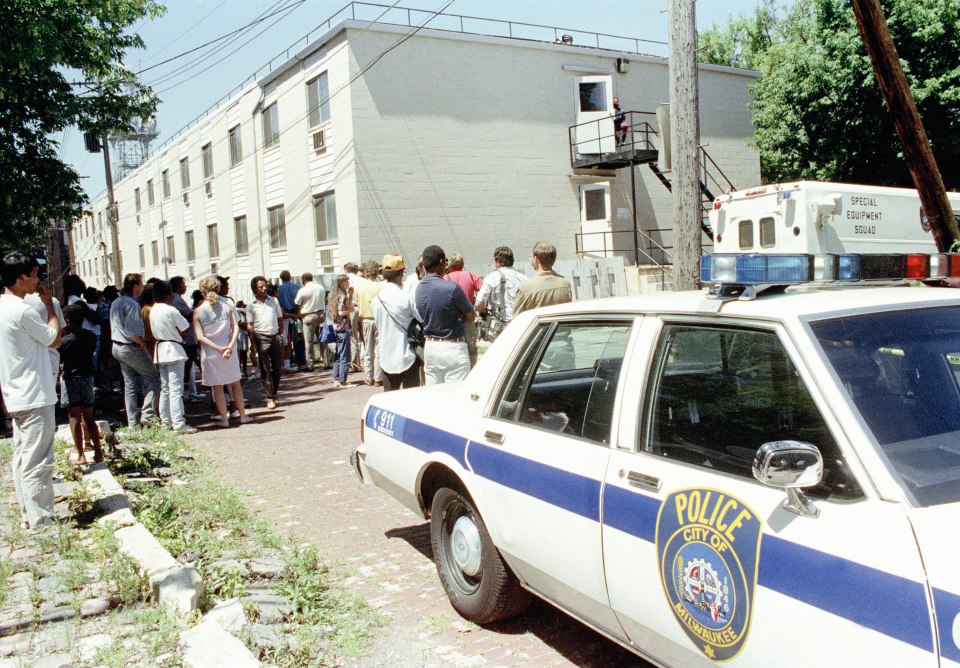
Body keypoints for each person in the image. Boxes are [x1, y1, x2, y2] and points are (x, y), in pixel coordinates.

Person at [0, 253, 61, 530]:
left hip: (15, 391)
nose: (38, 280)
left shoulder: (2, 307)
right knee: (38, 460)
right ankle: (42, 519)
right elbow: (54, 339)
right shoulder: (23, 310)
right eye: (35, 274)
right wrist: (49, 306)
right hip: (35, 392)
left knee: (23, 456)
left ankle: (28, 513)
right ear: (22, 277)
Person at [193, 275, 251, 426]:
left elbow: (200, 336)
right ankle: (243, 415)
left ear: (202, 291)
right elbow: (236, 328)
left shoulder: (198, 311)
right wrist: (229, 346)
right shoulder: (228, 306)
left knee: (217, 387)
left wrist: (219, 348)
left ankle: (224, 419)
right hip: (229, 349)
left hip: (211, 351)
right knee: (235, 383)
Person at [414, 245, 475, 385]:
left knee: (434, 397)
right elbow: (471, 315)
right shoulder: (451, 288)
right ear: (442, 262)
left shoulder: (419, 289)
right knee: (455, 398)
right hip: (453, 347)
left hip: (430, 346)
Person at [110, 273, 160, 429]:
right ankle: (148, 415)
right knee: (154, 378)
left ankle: (133, 422)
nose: (143, 287)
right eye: (142, 284)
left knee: (130, 385)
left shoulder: (116, 302)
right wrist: (142, 343)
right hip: (130, 346)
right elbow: (133, 333)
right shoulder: (132, 304)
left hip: (117, 346)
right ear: (136, 286)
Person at [59, 303, 106, 463]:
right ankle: (98, 452)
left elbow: (60, 359)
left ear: (66, 320)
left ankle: (80, 454)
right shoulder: (91, 336)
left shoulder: (64, 342)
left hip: (71, 378)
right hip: (87, 378)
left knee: (74, 417)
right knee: (89, 417)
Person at [150, 281, 197, 434]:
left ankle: (165, 421)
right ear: (169, 294)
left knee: (165, 388)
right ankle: (178, 423)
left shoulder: (153, 310)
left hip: (160, 349)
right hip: (173, 348)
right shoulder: (171, 310)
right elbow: (185, 327)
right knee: (176, 389)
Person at [372, 254, 421, 391]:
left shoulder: (376, 300)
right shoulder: (406, 297)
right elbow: (421, 318)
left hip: (386, 357)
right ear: (401, 273)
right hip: (407, 354)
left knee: (389, 398)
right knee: (411, 400)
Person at [246, 276, 284, 409]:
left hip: (275, 336)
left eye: (265, 285)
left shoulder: (273, 301)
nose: (264, 288)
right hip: (260, 337)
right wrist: (253, 342)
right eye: (260, 287)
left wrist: (280, 333)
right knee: (265, 369)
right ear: (254, 289)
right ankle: (269, 397)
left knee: (278, 368)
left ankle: (274, 393)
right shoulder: (251, 305)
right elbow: (249, 325)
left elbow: (280, 318)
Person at [444, 252, 484, 367]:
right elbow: (483, 288)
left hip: (452, 320)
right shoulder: (471, 275)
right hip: (469, 317)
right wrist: (476, 305)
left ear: (450, 265)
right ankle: (471, 372)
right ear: (463, 264)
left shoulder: (445, 278)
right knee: (471, 349)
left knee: (454, 348)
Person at [476, 246, 526, 337]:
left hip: (501, 325)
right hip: (521, 323)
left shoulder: (492, 277)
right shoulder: (523, 278)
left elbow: (479, 304)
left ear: (497, 261)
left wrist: (483, 312)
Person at [513, 241, 574, 315]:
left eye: (531, 257)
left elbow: (517, 317)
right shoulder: (565, 284)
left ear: (536, 259)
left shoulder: (525, 287)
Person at [170, 276, 203, 401]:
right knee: (188, 365)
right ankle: (185, 393)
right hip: (187, 338)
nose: (185, 286)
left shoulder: (177, 299)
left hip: (187, 337)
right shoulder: (177, 299)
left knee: (190, 365)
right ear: (178, 286)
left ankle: (188, 392)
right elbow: (190, 315)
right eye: (184, 284)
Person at [355, 260, 383, 386]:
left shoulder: (360, 287)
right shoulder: (380, 286)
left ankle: (368, 377)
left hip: (365, 319)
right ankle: (378, 377)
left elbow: (357, 303)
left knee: (368, 349)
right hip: (378, 319)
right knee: (378, 349)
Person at [294, 272, 326, 370]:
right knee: (322, 339)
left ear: (303, 281)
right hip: (321, 314)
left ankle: (309, 364)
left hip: (309, 315)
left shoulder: (303, 290)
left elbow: (296, 303)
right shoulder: (321, 287)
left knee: (308, 341)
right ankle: (326, 362)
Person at [278, 270, 307, 372]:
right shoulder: (297, 287)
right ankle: (302, 362)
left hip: (283, 315)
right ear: (290, 277)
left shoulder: (279, 289)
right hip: (296, 315)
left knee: (285, 340)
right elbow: (300, 301)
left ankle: (287, 362)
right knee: (298, 338)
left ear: (281, 278)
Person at [327, 274, 353, 388]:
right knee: (344, 355)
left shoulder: (333, 295)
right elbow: (341, 312)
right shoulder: (342, 296)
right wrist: (350, 310)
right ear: (342, 283)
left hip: (336, 327)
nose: (349, 284)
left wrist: (350, 296)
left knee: (338, 354)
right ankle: (343, 380)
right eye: (347, 282)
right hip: (343, 327)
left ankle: (336, 379)